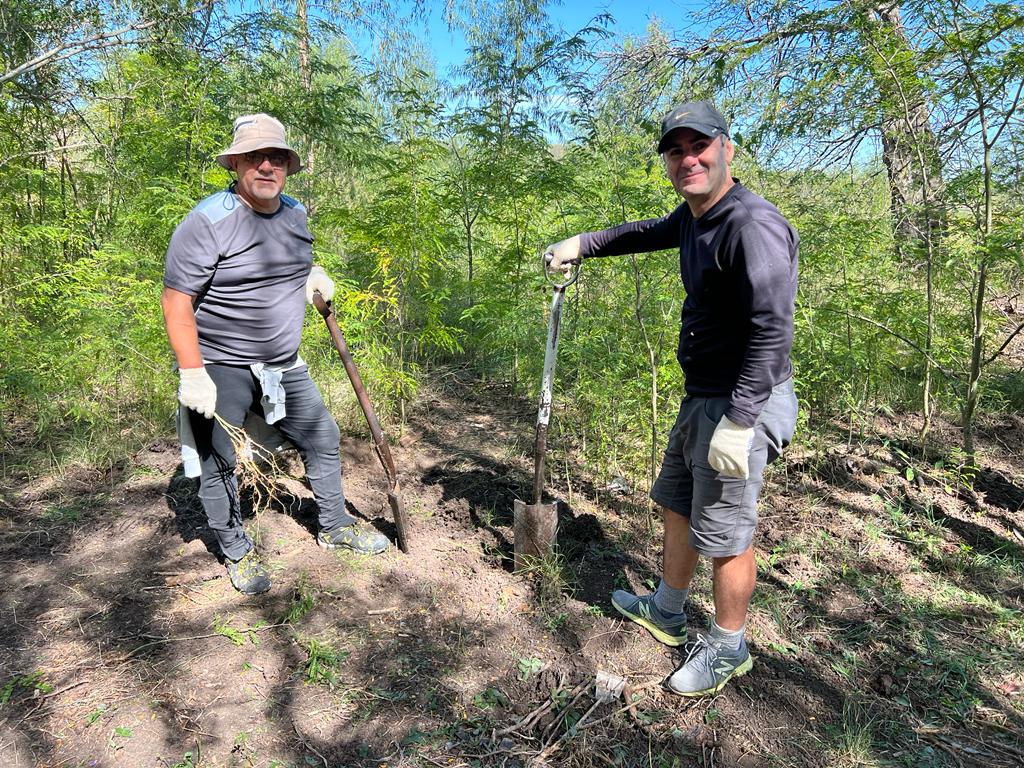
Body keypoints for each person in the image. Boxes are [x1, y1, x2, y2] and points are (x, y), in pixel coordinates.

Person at [544, 101, 799, 696]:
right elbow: (642, 233)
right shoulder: (694, 217)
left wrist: (740, 421)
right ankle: (666, 609)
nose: (689, 159)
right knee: (678, 503)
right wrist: (581, 242)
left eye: (700, 146)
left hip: (742, 401)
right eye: (676, 150)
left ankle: (729, 646)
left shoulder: (750, 225)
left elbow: (771, 328)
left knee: (727, 531)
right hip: (703, 397)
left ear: (727, 149)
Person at [162, 113, 388, 596]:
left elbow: (293, 263)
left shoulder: (295, 212)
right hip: (220, 363)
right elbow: (177, 300)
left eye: (277, 157)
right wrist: (192, 372)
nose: (267, 166)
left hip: (282, 363)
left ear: (288, 165)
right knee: (217, 459)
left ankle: (333, 526)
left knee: (322, 436)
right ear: (237, 163)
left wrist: (313, 276)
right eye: (255, 157)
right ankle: (237, 551)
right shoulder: (207, 222)